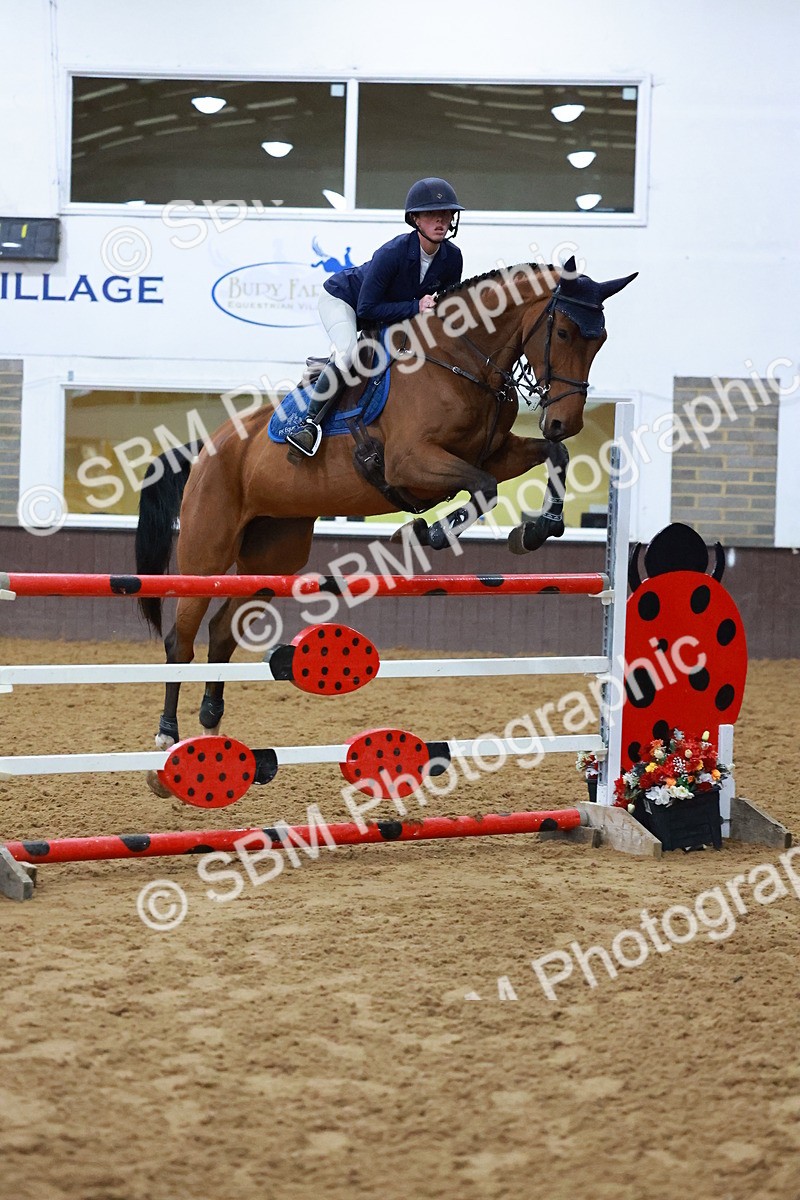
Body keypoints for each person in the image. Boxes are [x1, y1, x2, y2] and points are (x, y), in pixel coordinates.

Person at [287, 177, 464, 457]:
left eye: (446, 214)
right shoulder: (391, 253)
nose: (441, 221)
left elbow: (440, 309)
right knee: (347, 355)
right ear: (416, 219)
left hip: (388, 313)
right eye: (432, 214)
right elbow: (366, 310)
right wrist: (415, 307)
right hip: (344, 300)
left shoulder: (452, 258)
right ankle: (308, 425)